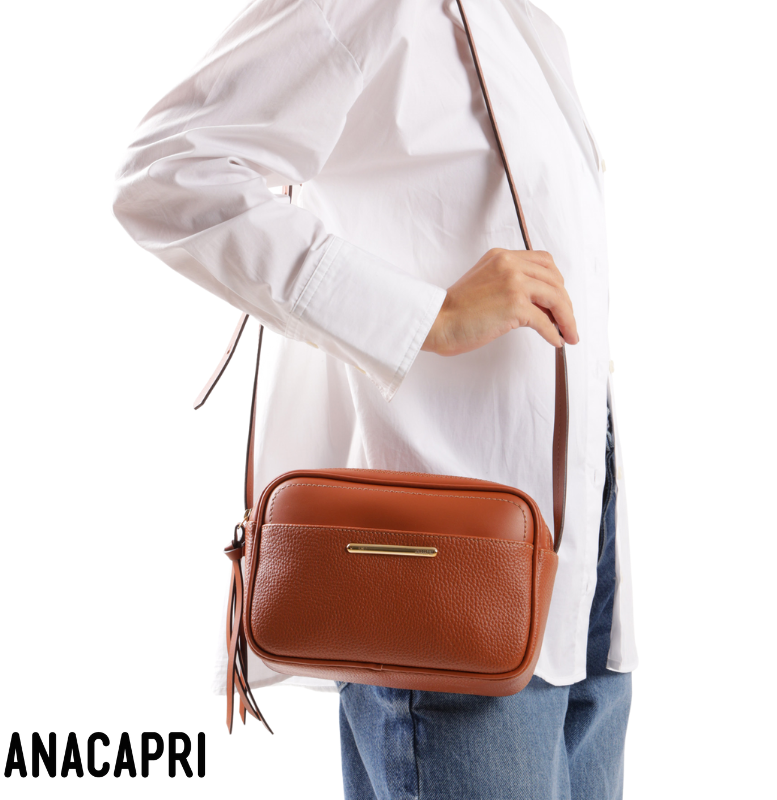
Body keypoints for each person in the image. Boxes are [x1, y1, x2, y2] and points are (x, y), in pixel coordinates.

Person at [113, 0, 637, 796]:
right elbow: (169, 174)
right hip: (442, 574)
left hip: (583, 575)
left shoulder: (528, 23)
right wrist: (426, 316)